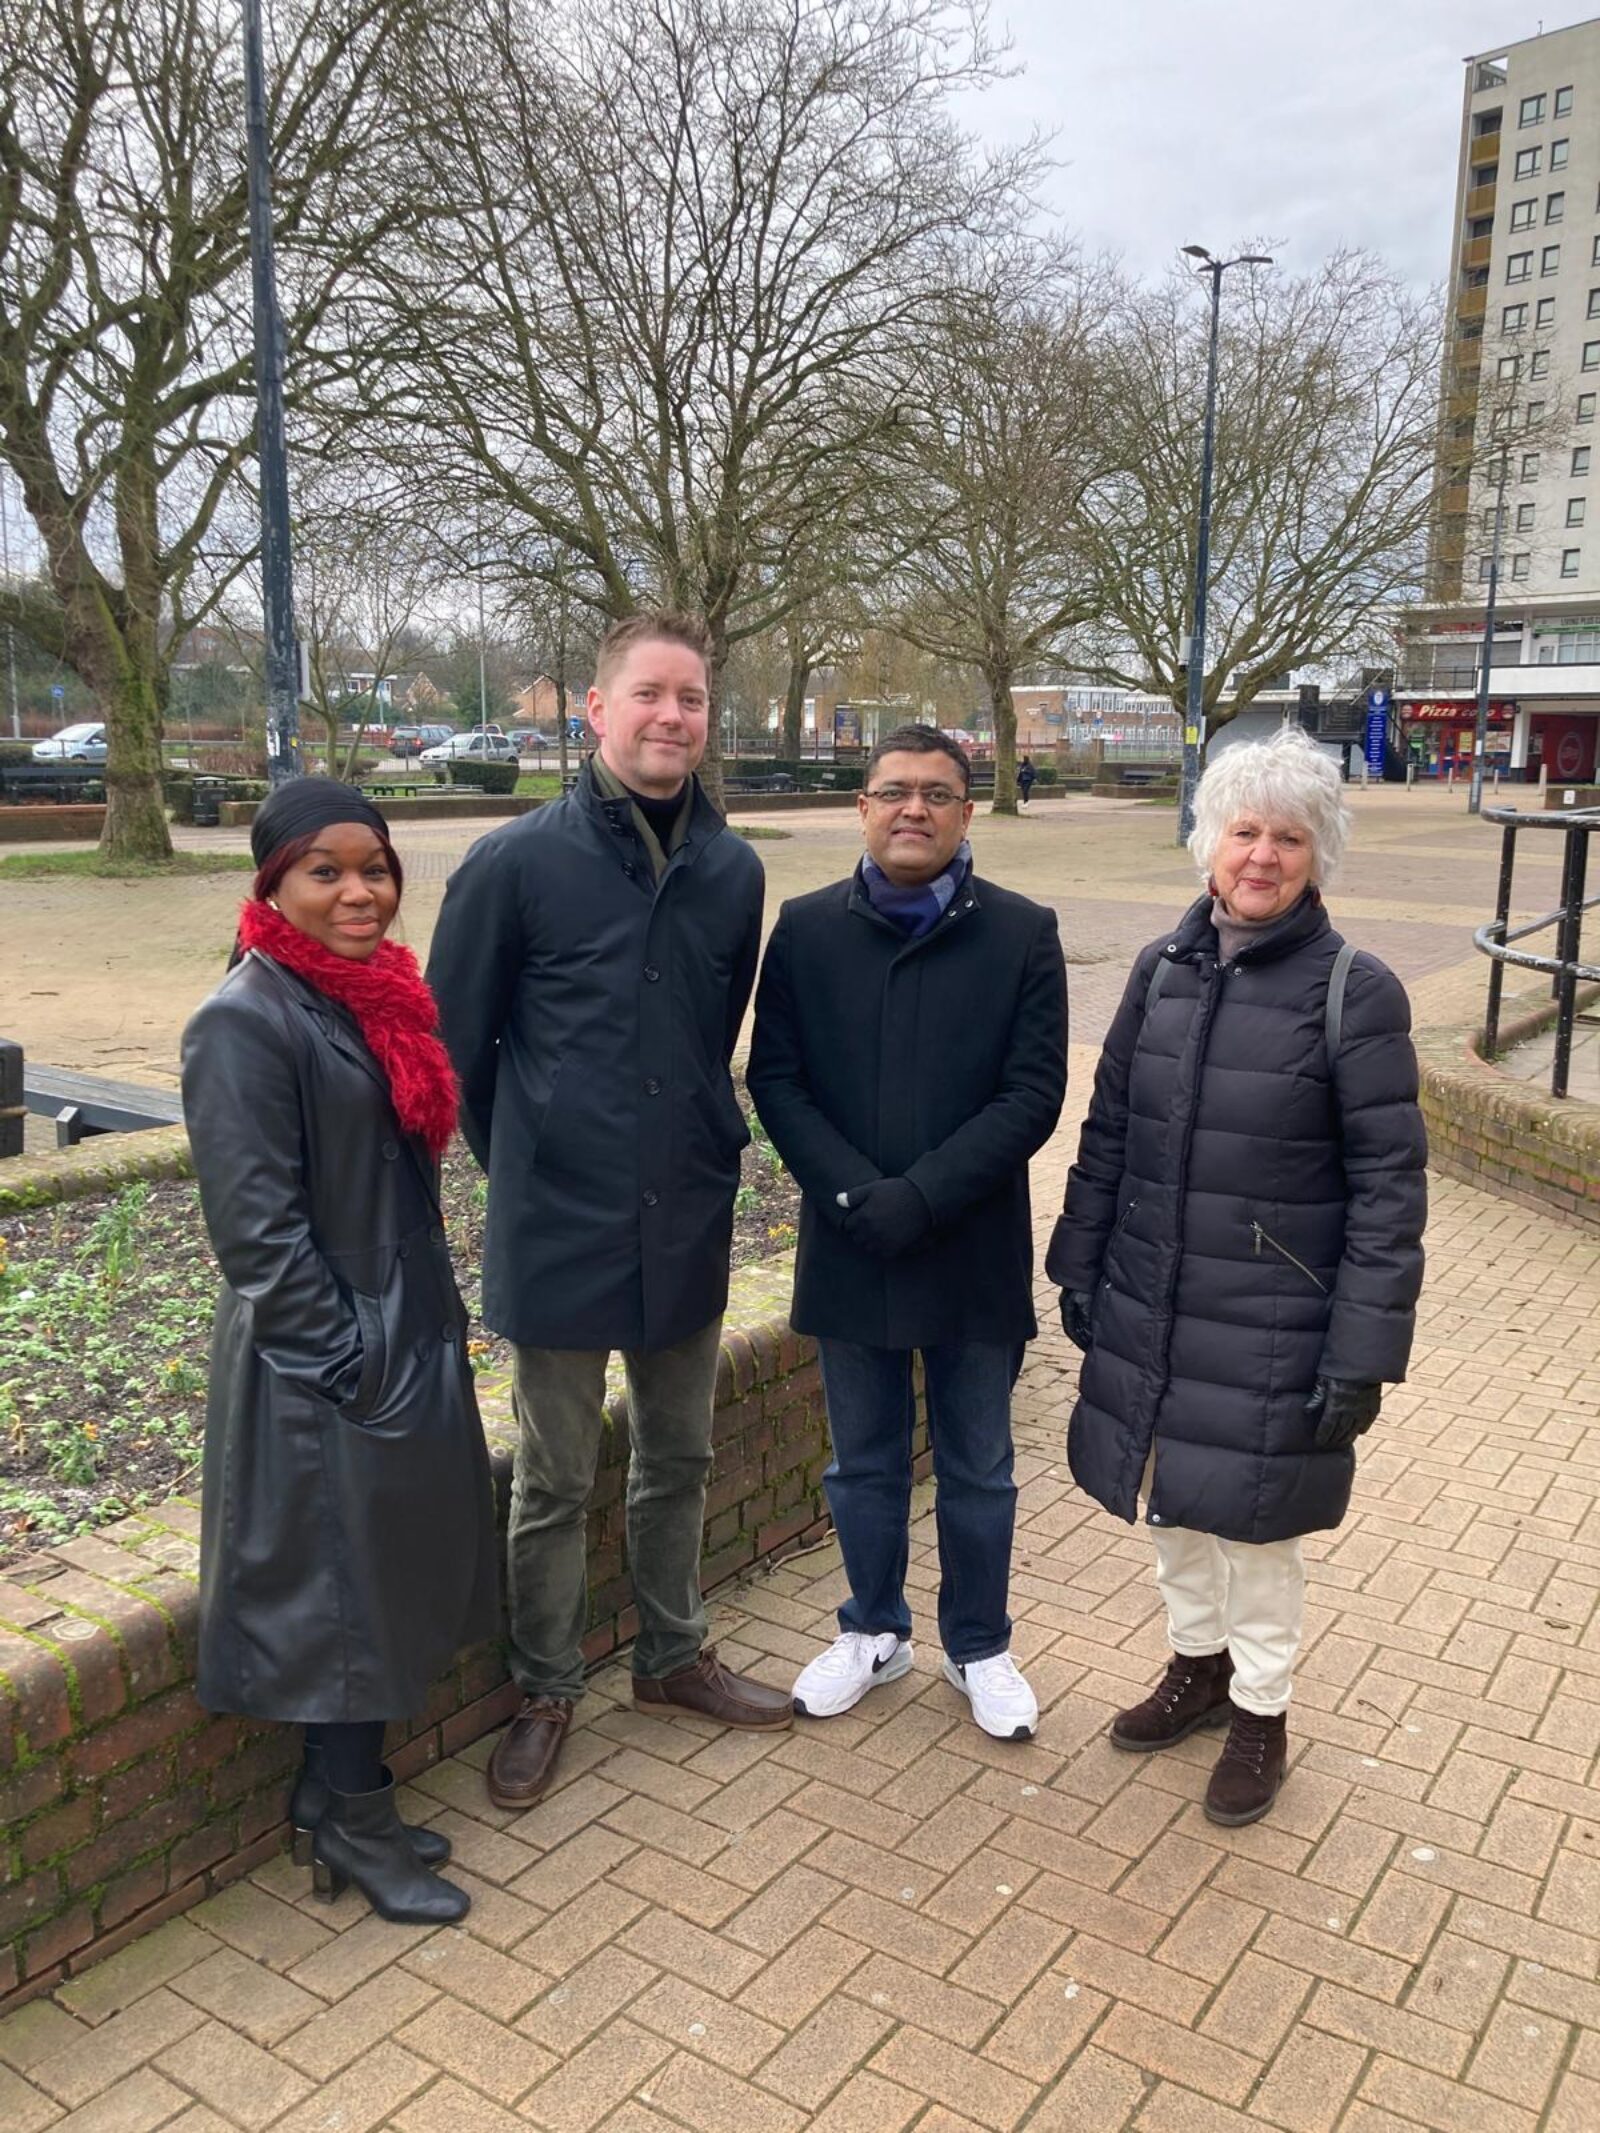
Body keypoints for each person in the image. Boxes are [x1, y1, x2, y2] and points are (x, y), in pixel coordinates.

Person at [428, 611, 791, 1813]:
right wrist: (526, 1161)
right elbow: (455, 1055)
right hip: (559, 1219)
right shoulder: (512, 864)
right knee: (553, 1471)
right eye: (648, 695)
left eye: (690, 699)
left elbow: (706, 1036)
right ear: (595, 709)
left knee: (679, 1453)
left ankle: (671, 1656)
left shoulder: (733, 871)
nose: (671, 717)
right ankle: (543, 1689)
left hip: (683, 1208)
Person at [1048, 726, 1426, 1825]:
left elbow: (1389, 1195)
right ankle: (1196, 1671)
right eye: (1243, 831)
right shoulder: (1159, 972)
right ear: (1208, 844)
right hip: (1152, 1304)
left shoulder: (1356, 992)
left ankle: (1261, 1714)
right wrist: (1078, 1260)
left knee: (1256, 1531)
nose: (1261, 855)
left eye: (1289, 838)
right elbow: (1109, 1125)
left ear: (1319, 856)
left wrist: (1362, 1353)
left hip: (1270, 1324)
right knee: (1169, 1504)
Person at [181, 780, 498, 1925]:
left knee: (377, 1577)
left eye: (375, 866)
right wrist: (349, 1360)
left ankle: (333, 1799)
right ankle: (353, 1822)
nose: (360, 890)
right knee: (343, 1594)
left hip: (391, 1328)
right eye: (326, 871)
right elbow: (255, 1233)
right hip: (319, 1362)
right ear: (275, 886)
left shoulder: (366, 997)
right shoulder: (245, 1018)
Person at [749, 725, 1068, 1739]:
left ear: (967, 813)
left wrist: (922, 1196)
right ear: (861, 807)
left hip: (969, 1245)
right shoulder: (802, 930)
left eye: (936, 793)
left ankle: (979, 1645)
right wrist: (852, 1194)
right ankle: (871, 1632)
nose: (913, 810)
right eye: (894, 791)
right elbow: (777, 1080)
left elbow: (1032, 1094)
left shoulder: (1022, 931)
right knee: (862, 1460)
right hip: (851, 1245)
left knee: (978, 1463)